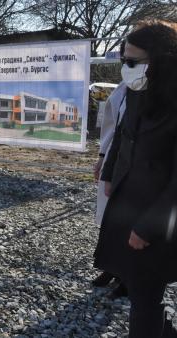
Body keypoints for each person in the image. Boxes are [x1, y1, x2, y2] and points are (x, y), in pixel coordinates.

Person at [95, 23, 177, 337]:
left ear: (162, 60)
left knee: (144, 293)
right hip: (129, 199)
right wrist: (109, 172)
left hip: (160, 215)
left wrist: (149, 226)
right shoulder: (140, 88)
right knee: (139, 283)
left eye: (132, 61)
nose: (126, 69)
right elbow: (122, 135)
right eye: (123, 61)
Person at [91, 42, 129, 299]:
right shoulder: (123, 89)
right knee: (109, 220)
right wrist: (102, 158)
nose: (127, 66)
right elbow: (111, 128)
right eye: (126, 60)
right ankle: (110, 266)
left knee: (128, 220)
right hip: (114, 159)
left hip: (137, 166)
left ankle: (127, 276)